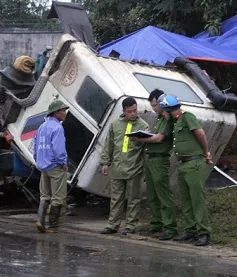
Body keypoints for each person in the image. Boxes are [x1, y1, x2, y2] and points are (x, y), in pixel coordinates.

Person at [159, 94, 212, 246]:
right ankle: (191, 230)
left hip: (194, 163)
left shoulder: (187, 117)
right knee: (185, 199)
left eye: (164, 111)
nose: (163, 114)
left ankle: (203, 232)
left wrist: (206, 153)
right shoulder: (175, 122)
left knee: (197, 199)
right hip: (183, 164)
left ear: (169, 110)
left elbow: (200, 134)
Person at [100, 97, 149, 235]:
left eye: (135, 110)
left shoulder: (143, 125)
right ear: (123, 111)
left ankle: (130, 225)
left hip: (135, 168)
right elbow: (108, 145)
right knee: (116, 198)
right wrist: (105, 162)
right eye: (130, 111)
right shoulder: (115, 124)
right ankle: (112, 225)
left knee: (133, 198)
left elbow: (146, 149)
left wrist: (145, 169)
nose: (133, 114)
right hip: (117, 167)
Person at [134, 89, 177, 240]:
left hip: (160, 159)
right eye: (152, 106)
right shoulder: (159, 119)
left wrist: (142, 139)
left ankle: (170, 226)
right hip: (150, 158)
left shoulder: (166, 119)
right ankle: (156, 223)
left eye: (155, 105)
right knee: (152, 193)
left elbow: (159, 139)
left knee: (163, 194)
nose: (154, 108)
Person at [34, 99, 69, 233]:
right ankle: (53, 225)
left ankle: (40, 220)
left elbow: (35, 145)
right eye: (63, 110)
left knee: (44, 196)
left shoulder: (42, 127)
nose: (65, 113)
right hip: (55, 166)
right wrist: (63, 163)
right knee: (58, 197)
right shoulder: (58, 128)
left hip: (43, 166)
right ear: (56, 113)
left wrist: (38, 160)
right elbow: (58, 149)